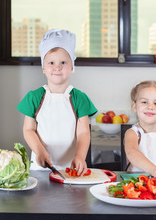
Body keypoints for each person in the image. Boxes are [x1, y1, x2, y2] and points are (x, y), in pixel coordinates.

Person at [17, 29, 97, 175]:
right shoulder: (34, 97)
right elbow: (28, 130)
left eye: (63, 62)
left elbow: (84, 132)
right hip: (40, 168)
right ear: (43, 68)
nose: (57, 67)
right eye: (51, 62)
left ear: (72, 67)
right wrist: (40, 151)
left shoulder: (79, 98)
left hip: (71, 169)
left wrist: (80, 156)